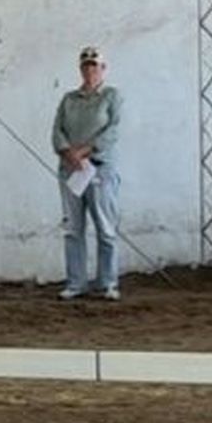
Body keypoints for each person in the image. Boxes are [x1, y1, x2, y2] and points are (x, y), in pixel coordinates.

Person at [51, 46, 122, 301]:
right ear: (80, 69)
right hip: (71, 170)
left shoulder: (112, 96)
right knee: (73, 228)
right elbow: (57, 130)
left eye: (95, 65)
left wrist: (87, 150)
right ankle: (76, 282)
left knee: (106, 227)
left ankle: (107, 283)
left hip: (99, 168)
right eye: (86, 65)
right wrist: (68, 153)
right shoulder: (69, 99)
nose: (90, 70)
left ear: (103, 69)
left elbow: (113, 130)